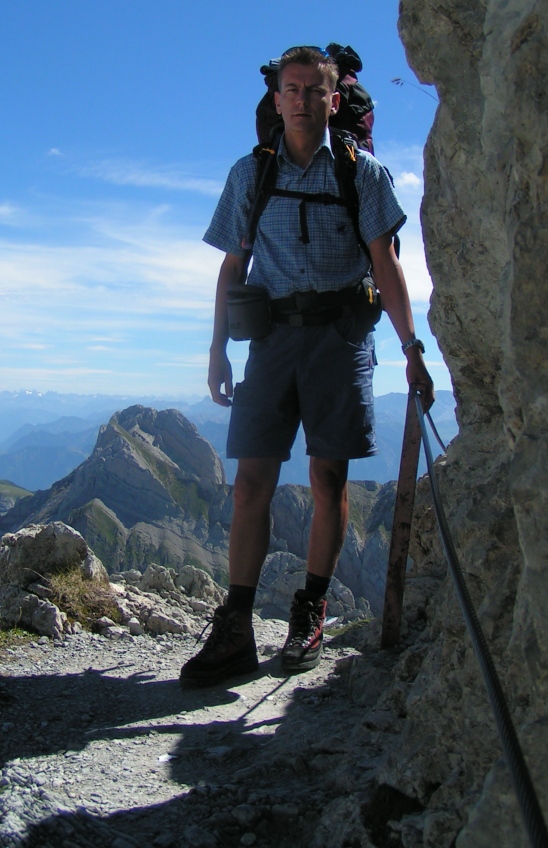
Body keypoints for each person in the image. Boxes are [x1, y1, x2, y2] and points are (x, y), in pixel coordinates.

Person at [180, 46, 433, 686]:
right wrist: (217, 348)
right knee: (250, 484)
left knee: (327, 478)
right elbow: (231, 267)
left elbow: (385, 264)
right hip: (270, 343)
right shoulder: (251, 173)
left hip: (340, 339)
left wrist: (411, 347)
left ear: (333, 99)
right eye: (291, 90)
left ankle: (310, 611)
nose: (301, 100)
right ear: (277, 99)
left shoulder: (360, 173)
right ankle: (237, 627)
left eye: (314, 90)